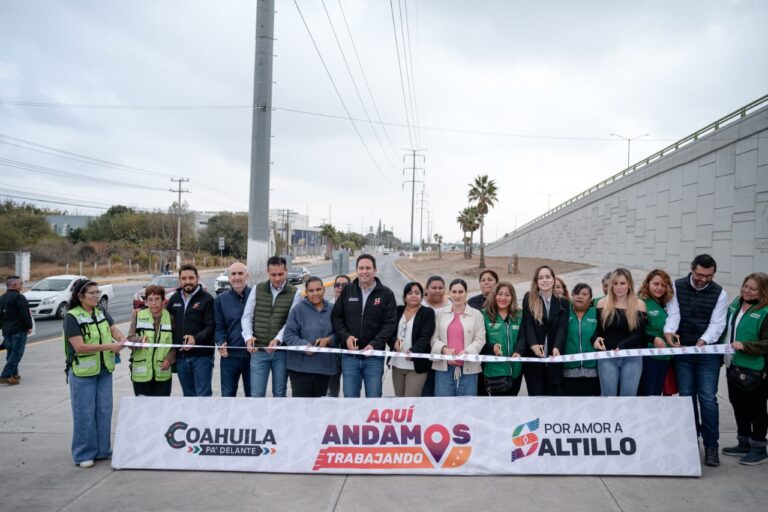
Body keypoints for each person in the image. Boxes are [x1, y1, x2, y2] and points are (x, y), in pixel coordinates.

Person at [664, 254, 728, 467]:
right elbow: (674, 314)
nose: (703, 279)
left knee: (707, 398)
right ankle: (690, 442)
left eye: (708, 276)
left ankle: (711, 446)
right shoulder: (677, 286)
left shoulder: (720, 293)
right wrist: (669, 331)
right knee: (686, 396)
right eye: (700, 274)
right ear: (692, 269)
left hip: (708, 352)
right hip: (683, 351)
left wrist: (704, 340)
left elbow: (718, 324)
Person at [63, 279, 126, 468]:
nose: (96, 296)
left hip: (104, 370)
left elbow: (113, 330)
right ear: (80, 296)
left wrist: (121, 339)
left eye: (98, 292)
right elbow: (79, 346)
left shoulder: (100, 312)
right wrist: (109, 346)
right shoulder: (72, 317)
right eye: (92, 293)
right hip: (83, 373)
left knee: (104, 411)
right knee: (84, 413)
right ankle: (83, 453)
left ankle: (102, 450)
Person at [332, 254, 397, 398]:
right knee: (350, 399)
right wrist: (346, 337)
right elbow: (336, 317)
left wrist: (375, 344)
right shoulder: (347, 290)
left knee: (373, 400)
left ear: (375, 270)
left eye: (368, 268)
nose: (364, 271)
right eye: (361, 268)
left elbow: (390, 324)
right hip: (350, 357)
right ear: (356, 270)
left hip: (374, 357)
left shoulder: (386, 294)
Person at [722, 272, 768, 465]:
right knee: (738, 405)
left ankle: (759, 447)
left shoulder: (765, 311)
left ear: (763, 291)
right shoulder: (736, 304)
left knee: (756, 408)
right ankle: (743, 441)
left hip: (756, 369)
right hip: (733, 365)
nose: (747, 291)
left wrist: (746, 346)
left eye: (753, 289)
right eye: (745, 286)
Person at [242, 256, 302, 398]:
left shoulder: (295, 293)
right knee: (256, 394)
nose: (277, 278)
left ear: (286, 271)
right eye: (273, 275)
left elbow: (291, 322)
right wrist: (248, 337)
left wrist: (278, 340)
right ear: (267, 272)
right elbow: (247, 316)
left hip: (281, 352)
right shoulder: (257, 289)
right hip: (259, 350)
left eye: (280, 274)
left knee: (279, 393)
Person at [592, 268, 647, 396]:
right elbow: (599, 330)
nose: (618, 287)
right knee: (608, 396)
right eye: (615, 283)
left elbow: (639, 334)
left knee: (628, 397)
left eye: (622, 283)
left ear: (629, 284)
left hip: (632, 357)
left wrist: (623, 345)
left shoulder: (639, 304)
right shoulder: (602, 303)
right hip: (607, 356)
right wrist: (595, 339)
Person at [283, 276, 338, 397]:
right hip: (300, 369)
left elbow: (339, 333)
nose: (315, 293)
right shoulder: (297, 310)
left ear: (324, 289)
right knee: (301, 405)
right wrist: (304, 345)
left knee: (319, 405)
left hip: (324, 368)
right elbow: (288, 334)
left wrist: (328, 340)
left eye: (318, 289)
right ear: (306, 292)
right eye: (311, 291)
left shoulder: (333, 310)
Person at [518, 265, 569, 396]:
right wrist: (533, 344)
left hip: (554, 356)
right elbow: (528, 324)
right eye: (540, 277)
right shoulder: (529, 298)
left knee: (553, 395)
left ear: (553, 279)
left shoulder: (563, 302)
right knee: (536, 395)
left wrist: (557, 346)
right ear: (536, 281)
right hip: (534, 357)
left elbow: (562, 328)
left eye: (547, 277)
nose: (544, 280)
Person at [431, 279, 486, 396]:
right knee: (443, 404)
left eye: (460, 292)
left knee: (467, 405)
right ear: (449, 293)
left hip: (469, 370)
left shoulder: (477, 315)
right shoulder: (441, 314)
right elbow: (434, 338)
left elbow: (480, 339)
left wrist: (467, 352)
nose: (457, 295)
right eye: (454, 292)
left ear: (466, 293)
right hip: (444, 369)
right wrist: (444, 350)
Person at [167, 264, 215, 397]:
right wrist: (140, 313)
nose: (187, 281)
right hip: (181, 358)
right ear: (179, 280)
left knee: (203, 396)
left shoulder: (207, 299)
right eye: (184, 278)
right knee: (188, 396)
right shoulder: (174, 299)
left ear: (197, 278)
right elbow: (165, 320)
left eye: (191, 278)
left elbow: (211, 326)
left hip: (202, 357)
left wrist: (196, 339)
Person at [126, 285, 174, 396]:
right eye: (150, 300)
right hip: (141, 375)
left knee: (162, 406)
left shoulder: (170, 318)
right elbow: (129, 340)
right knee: (143, 406)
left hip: (162, 373)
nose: (153, 303)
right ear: (146, 302)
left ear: (163, 301)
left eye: (157, 299)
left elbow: (175, 344)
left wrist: (170, 359)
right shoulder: (138, 316)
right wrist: (140, 340)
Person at [389, 282, 435, 397]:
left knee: (410, 401)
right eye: (410, 293)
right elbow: (389, 332)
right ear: (405, 297)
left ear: (422, 296)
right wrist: (393, 342)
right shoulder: (397, 310)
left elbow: (425, 336)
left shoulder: (428, 312)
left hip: (416, 365)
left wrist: (414, 351)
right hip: (397, 364)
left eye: (417, 293)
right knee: (399, 400)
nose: (413, 295)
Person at [214, 262, 252, 397]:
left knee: (253, 396)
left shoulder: (256, 296)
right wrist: (221, 343)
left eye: (240, 273)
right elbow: (219, 327)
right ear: (229, 277)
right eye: (233, 274)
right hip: (230, 357)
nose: (237, 277)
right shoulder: (220, 300)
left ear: (247, 276)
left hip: (253, 357)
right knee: (228, 395)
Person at [481, 282, 523, 396]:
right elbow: (479, 341)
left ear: (512, 297)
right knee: (498, 405)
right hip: (494, 372)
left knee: (512, 402)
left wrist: (518, 351)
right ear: (494, 296)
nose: (503, 298)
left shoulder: (519, 315)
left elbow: (523, 337)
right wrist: (492, 347)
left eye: (507, 295)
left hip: (515, 371)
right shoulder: (484, 315)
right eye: (500, 294)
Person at [637, 269, 675, 396]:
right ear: (647, 283)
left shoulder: (667, 303)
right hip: (649, 357)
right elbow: (636, 331)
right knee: (647, 395)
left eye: (663, 285)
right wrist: (653, 339)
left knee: (656, 395)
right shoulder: (641, 302)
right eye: (656, 284)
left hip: (665, 358)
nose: (660, 288)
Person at [562, 283, 600, 396]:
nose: (580, 296)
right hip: (568, 369)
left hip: (592, 370)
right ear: (572, 296)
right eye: (577, 293)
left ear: (590, 299)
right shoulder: (564, 313)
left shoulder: (597, 313)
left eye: (584, 294)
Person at [420, 275, 451, 397]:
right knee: (425, 392)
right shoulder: (419, 303)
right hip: (422, 355)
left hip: (444, 354)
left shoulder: (451, 304)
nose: (437, 291)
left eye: (440, 288)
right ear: (427, 289)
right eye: (433, 288)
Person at [0, 276, 33, 385]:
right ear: (14, 285)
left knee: (11, 352)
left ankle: (14, 374)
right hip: (18, 330)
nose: (22, 286)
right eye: (20, 284)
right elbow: (25, 313)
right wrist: (29, 326)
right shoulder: (19, 297)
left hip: (7, 331)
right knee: (17, 354)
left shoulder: (2, 298)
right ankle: (5, 375)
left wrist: (3, 327)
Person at [326, 274, 350, 397]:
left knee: (350, 393)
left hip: (349, 356)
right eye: (337, 285)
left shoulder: (355, 307)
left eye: (344, 285)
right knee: (331, 393)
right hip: (331, 357)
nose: (340, 288)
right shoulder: (327, 307)